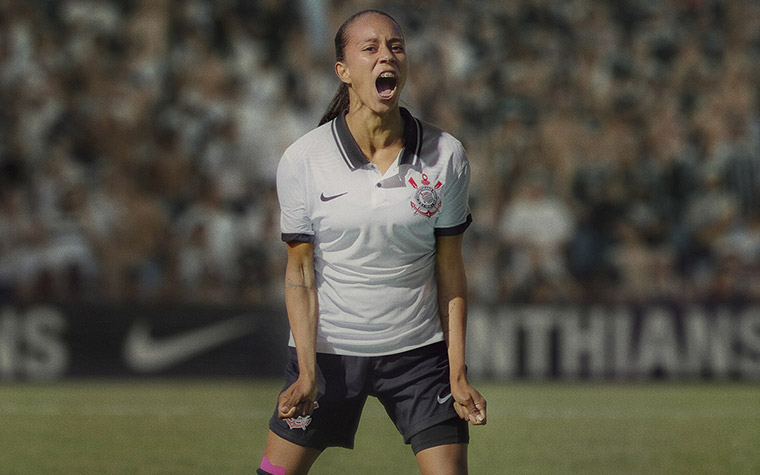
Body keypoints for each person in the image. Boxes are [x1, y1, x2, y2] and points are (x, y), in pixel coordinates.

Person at [258, 10, 487, 475]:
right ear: (343, 71)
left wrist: (458, 371)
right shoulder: (304, 159)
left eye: (396, 46)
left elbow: (451, 269)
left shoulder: (447, 155)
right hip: (330, 355)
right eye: (371, 48)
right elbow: (300, 273)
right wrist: (306, 373)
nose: (387, 55)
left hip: (419, 355)